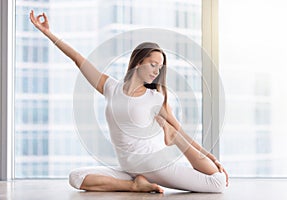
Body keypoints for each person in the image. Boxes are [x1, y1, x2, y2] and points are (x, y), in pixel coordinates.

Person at [30, 10, 229, 193]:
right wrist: (48, 33)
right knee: (76, 177)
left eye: (160, 67)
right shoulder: (110, 87)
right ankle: (134, 185)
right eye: (153, 64)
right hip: (130, 166)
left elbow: (185, 133)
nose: (156, 71)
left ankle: (171, 135)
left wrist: (211, 157)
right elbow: (78, 59)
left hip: (153, 163)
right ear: (138, 62)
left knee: (217, 182)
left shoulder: (155, 98)